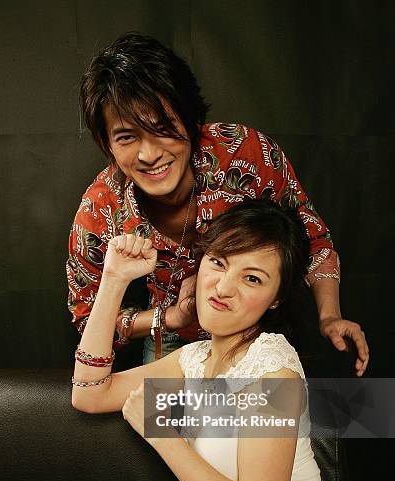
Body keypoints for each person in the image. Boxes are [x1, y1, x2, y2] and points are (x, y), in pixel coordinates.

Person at [68, 202, 371, 481]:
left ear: (277, 298)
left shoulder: (273, 370)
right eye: (217, 262)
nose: (222, 288)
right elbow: (89, 392)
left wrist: (163, 434)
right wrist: (113, 281)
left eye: (252, 278)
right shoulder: (194, 360)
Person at [66, 32, 369, 374]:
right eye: (126, 137)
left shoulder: (244, 154)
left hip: (257, 332)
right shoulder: (101, 208)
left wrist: (329, 316)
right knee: (164, 424)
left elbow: (312, 238)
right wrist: (170, 317)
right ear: (106, 143)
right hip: (173, 342)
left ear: (191, 120)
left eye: (163, 128)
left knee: (261, 424)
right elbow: (88, 316)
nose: (149, 154)